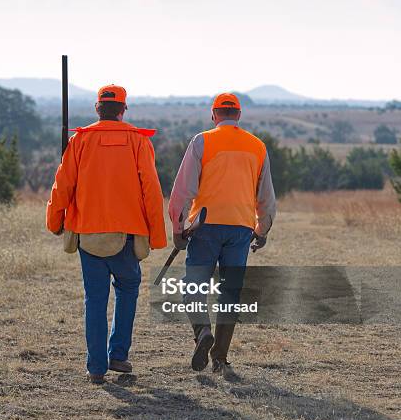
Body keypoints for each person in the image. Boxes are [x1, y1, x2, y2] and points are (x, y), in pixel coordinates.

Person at [46, 84, 167, 384]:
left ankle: (96, 368)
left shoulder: (80, 141)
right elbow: (151, 190)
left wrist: (54, 221)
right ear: (124, 109)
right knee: (128, 289)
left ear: (97, 108)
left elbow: (63, 186)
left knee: (95, 300)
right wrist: (157, 235)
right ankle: (119, 354)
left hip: (89, 234)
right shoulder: (139, 142)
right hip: (126, 235)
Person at [169, 92, 276, 377]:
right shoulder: (257, 146)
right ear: (238, 116)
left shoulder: (202, 141)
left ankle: (202, 330)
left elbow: (183, 191)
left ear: (214, 115)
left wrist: (178, 229)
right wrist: (261, 229)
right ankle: (220, 358)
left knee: (194, 285)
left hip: (204, 226)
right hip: (241, 228)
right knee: (230, 293)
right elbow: (266, 196)